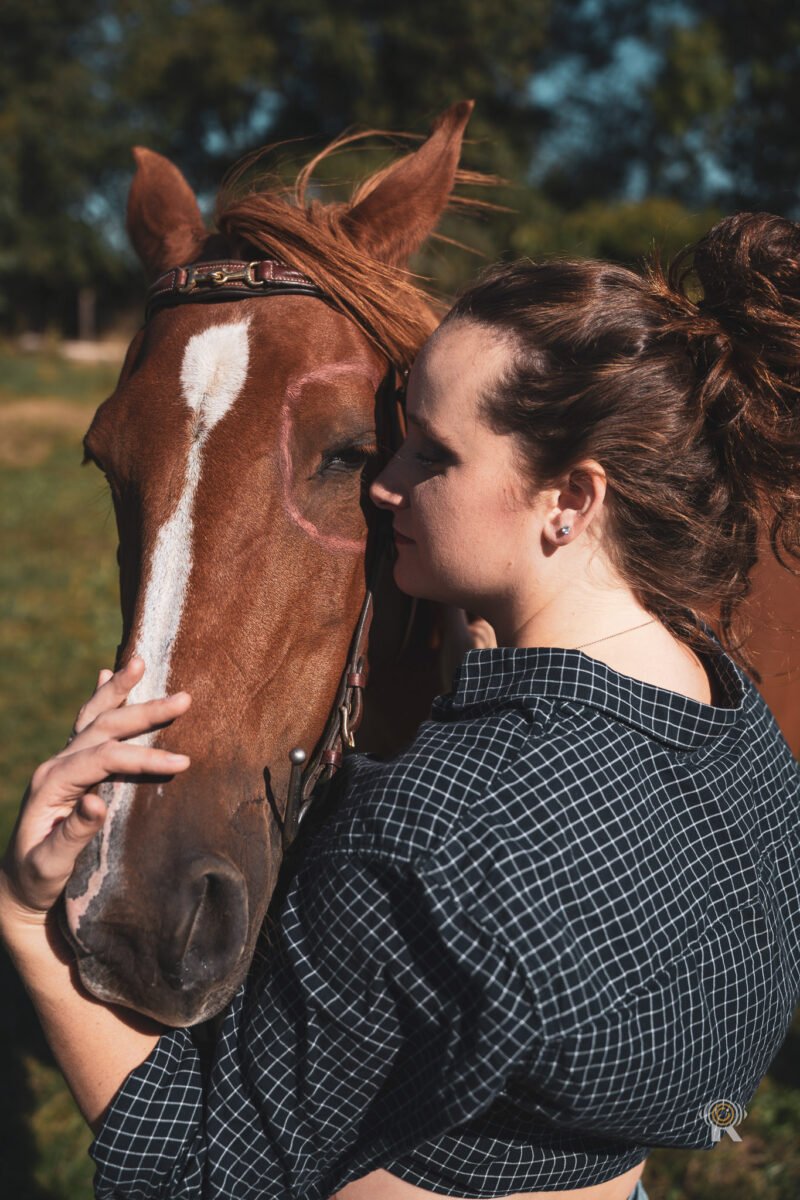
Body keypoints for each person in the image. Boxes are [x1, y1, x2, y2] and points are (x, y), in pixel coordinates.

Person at [2, 211, 799, 1200]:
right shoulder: (738, 724)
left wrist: (26, 921)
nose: (383, 485)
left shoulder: (421, 840)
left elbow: (197, 1174)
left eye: (429, 453)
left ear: (570, 500)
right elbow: (719, 1109)